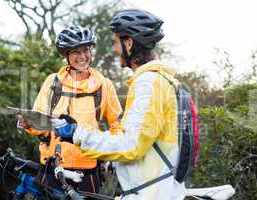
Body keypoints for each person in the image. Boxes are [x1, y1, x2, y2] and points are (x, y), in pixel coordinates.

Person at [52, 9, 187, 200]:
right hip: (153, 188)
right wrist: (115, 163)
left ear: (129, 43)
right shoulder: (160, 80)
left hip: (150, 193)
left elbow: (130, 144)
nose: (115, 49)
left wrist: (76, 133)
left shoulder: (148, 83)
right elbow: (145, 139)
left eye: (116, 42)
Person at [17, 25, 123, 199]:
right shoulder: (52, 83)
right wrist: (29, 124)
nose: (82, 56)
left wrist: (115, 155)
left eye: (86, 50)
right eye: (75, 51)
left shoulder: (104, 85)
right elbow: (41, 123)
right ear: (66, 54)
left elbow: (117, 124)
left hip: (88, 170)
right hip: (52, 167)